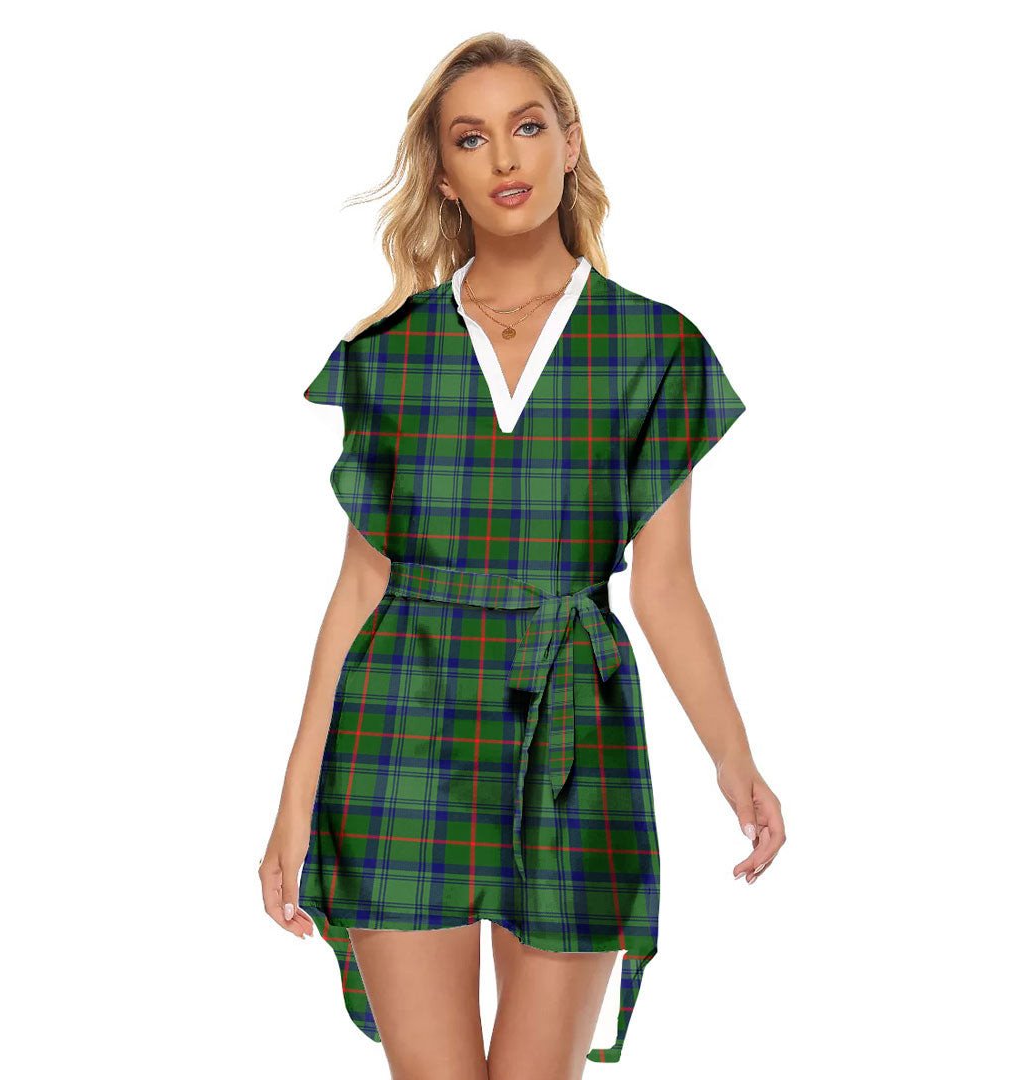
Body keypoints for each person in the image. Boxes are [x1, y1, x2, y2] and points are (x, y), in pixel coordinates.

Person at [259, 32, 786, 1079]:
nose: (505, 158)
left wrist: (736, 761)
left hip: (574, 732)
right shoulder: (391, 353)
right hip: (401, 727)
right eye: (472, 138)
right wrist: (293, 802)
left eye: (528, 127)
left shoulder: (652, 346)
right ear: (442, 174)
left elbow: (666, 588)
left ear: (570, 143)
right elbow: (361, 586)